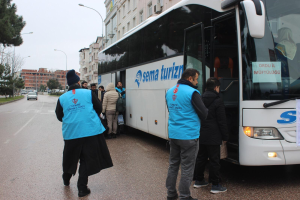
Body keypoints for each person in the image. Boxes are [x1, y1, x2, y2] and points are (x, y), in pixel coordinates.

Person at [55, 70, 113, 197]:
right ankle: (82, 188)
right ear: (78, 82)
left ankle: (66, 178)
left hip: (71, 133)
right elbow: (99, 108)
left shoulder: (62, 98)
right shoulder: (88, 93)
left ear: (68, 84)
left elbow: (59, 116)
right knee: (86, 159)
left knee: (70, 158)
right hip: (90, 131)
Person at [165, 69, 208, 200]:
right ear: (190, 79)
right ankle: (184, 196)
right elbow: (204, 113)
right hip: (189, 135)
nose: (197, 82)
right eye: (196, 79)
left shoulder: (169, 91)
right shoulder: (192, 92)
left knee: (173, 164)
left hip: (174, 134)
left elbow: (171, 110)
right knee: (187, 167)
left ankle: (171, 194)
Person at [193, 77, 228, 194]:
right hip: (214, 134)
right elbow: (222, 121)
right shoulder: (218, 100)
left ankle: (198, 180)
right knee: (214, 160)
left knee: (201, 157)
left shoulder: (200, 98)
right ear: (217, 87)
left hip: (201, 133)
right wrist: (225, 137)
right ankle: (215, 185)